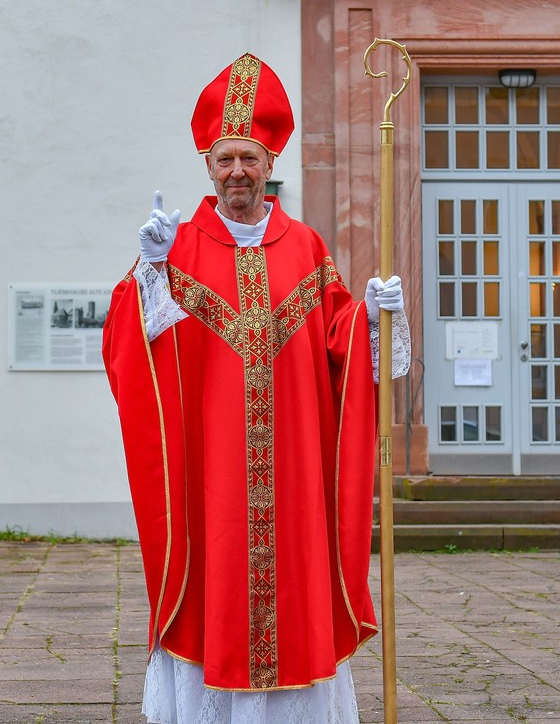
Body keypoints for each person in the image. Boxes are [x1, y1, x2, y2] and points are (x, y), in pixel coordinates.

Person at [103, 53, 409, 724]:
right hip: (209, 481)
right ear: (207, 166)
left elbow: (340, 345)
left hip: (294, 481)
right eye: (224, 159)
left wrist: (376, 320)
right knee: (212, 588)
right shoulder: (174, 249)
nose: (237, 171)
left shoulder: (306, 249)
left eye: (248, 157)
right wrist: (150, 275)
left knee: (296, 594)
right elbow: (133, 351)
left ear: (271, 163)